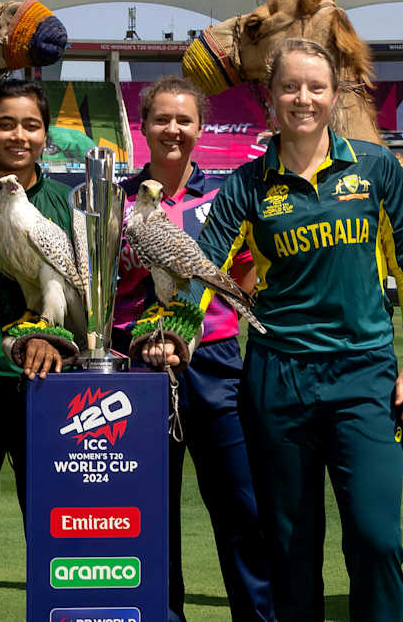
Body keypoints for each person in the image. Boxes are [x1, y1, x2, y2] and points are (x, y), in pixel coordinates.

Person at [184, 38, 403, 622]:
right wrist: (175, 327)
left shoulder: (375, 168)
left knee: (377, 542)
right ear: (268, 100)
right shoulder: (246, 185)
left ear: (335, 94)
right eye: (289, 87)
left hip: (364, 377)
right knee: (291, 552)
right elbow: (202, 267)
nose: (303, 98)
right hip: (278, 380)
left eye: (315, 87)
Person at [114, 76, 275, 622]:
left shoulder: (223, 197)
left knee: (240, 507)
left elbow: (245, 274)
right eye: (162, 119)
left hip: (214, 364)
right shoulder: (117, 205)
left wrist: (204, 319)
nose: (173, 129)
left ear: (201, 128)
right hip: (139, 365)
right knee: (150, 511)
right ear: (144, 126)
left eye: (184, 119)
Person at [0, 77, 77, 538]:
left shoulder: (70, 205)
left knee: (54, 529)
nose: (19, 136)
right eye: (6, 124)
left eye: (31, 125)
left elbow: (84, 303)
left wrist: (54, 340)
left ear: (45, 135)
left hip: (49, 383)